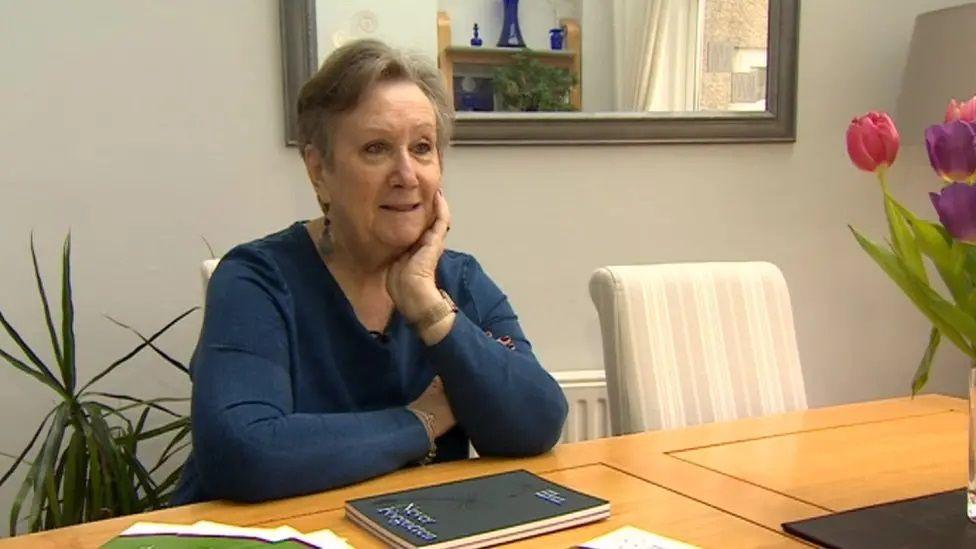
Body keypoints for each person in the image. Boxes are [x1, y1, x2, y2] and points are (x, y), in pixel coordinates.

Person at [170, 39, 568, 504]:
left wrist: (426, 305)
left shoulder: (458, 280)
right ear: (319, 171)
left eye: (422, 148)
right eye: (377, 149)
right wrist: (426, 419)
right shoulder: (256, 279)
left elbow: (536, 424)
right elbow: (245, 454)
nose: (406, 174)